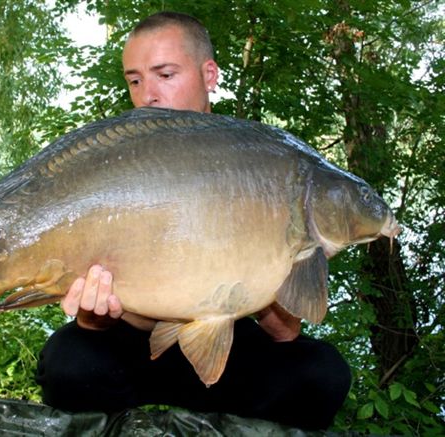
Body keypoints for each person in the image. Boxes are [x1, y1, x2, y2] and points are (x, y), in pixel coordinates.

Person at [36, 11, 351, 431]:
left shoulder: (263, 160)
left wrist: (297, 260)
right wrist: (93, 316)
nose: (148, 94)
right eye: (134, 79)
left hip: (227, 342)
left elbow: (283, 334)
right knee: (65, 363)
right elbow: (93, 315)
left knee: (323, 374)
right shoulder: (112, 162)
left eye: (164, 74)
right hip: (132, 349)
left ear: (209, 74)